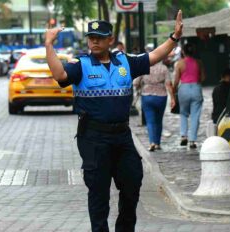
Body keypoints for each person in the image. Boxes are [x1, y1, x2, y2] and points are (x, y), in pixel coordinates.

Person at [45, 11, 183, 232]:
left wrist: (174, 37)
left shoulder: (124, 61)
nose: (95, 41)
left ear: (110, 39)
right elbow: (60, 76)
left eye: (100, 37)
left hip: (122, 136)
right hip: (93, 137)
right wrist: (49, 45)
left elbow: (154, 56)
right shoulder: (80, 64)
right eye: (91, 37)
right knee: (98, 193)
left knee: (133, 183)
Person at [133, 60, 175, 152]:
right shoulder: (164, 68)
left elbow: (135, 83)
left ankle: (152, 142)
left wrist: (140, 86)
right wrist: (172, 98)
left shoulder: (144, 67)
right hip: (161, 96)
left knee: (150, 121)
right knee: (159, 120)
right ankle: (157, 143)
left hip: (147, 95)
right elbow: (168, 84)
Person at [173, 43, 205, 149]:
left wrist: (173, 91)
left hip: (184, 89)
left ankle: (183, 136)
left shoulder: (179, 63)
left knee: (183, 113)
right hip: (196, 88)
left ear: (183, 52)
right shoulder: (199, 62)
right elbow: (203, 77)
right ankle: (192, 140)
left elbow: (176, 80)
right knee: (195, 115)